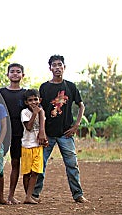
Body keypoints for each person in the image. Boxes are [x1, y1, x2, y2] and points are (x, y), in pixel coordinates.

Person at [33, 54, 88, 203]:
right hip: (48, 133)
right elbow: (40, 109)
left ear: (64, 67)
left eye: (60, 65)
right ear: (50, 68)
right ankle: (34, 194)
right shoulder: (44, 87)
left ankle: (78, 195)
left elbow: (81, 105)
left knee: (72, 165)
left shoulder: (70, 86)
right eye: (54, 65)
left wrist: (76, 125)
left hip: (66, 133)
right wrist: (41, 131)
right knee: (40, 165)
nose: (57, 67)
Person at [0, 63, 26, 205]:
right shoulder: (0, 93)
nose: (15, 74)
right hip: (2, 133)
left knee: (16, 162)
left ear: (23, 75)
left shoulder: (26, 94)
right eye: (12, 71)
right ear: (7, 75)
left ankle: (11, 195)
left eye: (18, 72)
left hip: (19, 133)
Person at [20, 89, 47, 204]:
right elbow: (29, 127)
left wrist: (44, 138)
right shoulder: (25, 112)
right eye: (30, 100)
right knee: (27, 173)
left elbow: (42, 128)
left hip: (38, 146)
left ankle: (29, 196)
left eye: (35, 99)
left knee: (36, 171)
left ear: (39, 100)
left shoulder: (42, 112)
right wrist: (35, 113)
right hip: (27, 145)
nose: (33, 102)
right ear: (26, 102)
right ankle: (28, 195)